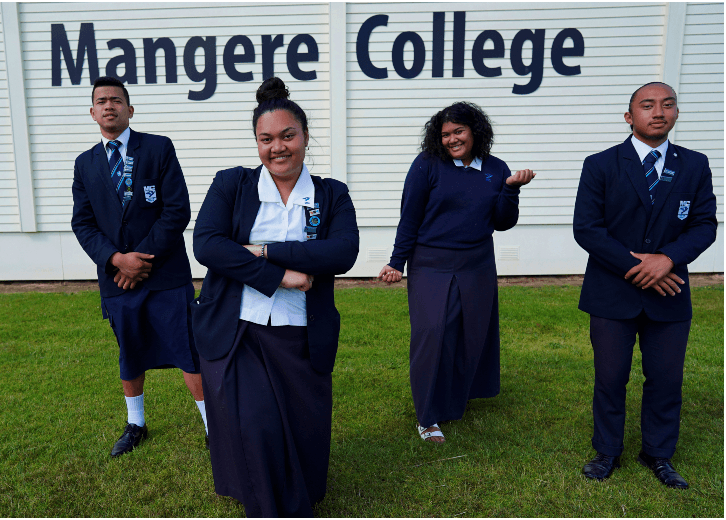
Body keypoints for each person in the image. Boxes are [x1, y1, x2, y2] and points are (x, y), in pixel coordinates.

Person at [191, 76, 359, 517]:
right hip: (237, 328)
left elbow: (342, 252)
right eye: (266, 139)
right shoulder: (232, 184)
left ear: (305, 137)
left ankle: (296, 491)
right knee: (257, 425)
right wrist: (279, 274)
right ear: (257, 143)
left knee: (304, 427)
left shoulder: (331, 193)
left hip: (301, 331)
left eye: (288, 136)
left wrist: (263, 250)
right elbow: (208, 245)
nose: (277, 147)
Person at [573, 82, 717, 488]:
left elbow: (705, 224)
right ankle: (607, 451)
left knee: (667, 378)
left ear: (676, 113)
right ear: (629, 116)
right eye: (647, 105)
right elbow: (587, 228)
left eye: (667, 105)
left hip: (669, 292)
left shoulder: (694, 164)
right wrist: (639, 265)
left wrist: (668, 259)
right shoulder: (600, 164)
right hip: (612, 291)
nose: (659, 112)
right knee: (610, 376)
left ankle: (658, 453)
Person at [378, 102, 535, 443]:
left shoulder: (495, 168)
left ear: (475, 132)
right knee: (432, 334)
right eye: (445, 134)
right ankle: (427, 416)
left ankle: (456, 398)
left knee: (470, 333)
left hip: (477, 263)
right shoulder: (427, 165)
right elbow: (410, 217)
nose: (451, 139)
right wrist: (396, 261)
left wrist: (511, 189)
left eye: (458, 131)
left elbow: (503, 222)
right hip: (431, 264)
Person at [71, 76, 208, 458]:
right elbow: (82, 223)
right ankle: (136, 425)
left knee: (188, 350)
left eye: (116, 99)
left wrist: (140, 260)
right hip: (117, 280)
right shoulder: (85, 165)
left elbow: (177, 209)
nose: (109, 105)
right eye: (101, 101)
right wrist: (117, 260)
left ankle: (214, 426)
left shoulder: (158, 148)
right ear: (93, 112)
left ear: (130, 110)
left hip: (164, 275)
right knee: (129, 353)